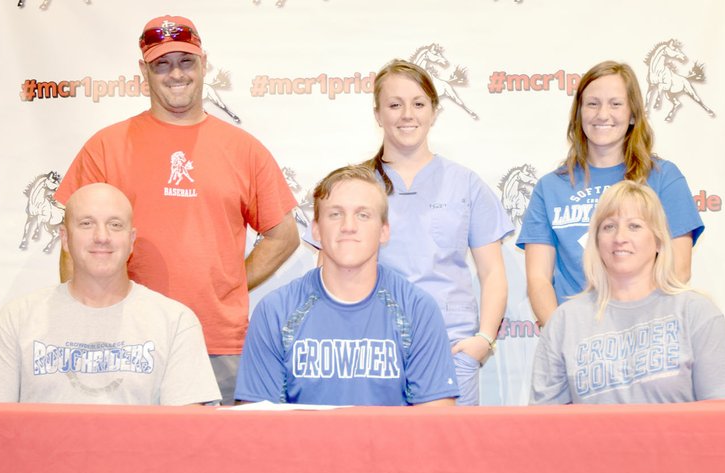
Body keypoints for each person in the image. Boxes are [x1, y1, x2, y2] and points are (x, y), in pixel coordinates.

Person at [54, 15, 300, 404]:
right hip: (123, 341)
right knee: (126, 460)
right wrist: (80, 326)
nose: (176, 74)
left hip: (218, 343)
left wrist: (228, 283)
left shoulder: (244, 149)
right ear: (143, 71)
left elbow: (284, 236)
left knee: (217, 462)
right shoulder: (105, 147)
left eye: (186, 61)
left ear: (204, 64)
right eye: (162, 64)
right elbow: (74, 244)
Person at [0, 183, 222, 406]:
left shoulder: (175, 322)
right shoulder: (18, 318)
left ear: (131, 240)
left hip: (138, 469)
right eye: (86, 224)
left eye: (115, 225)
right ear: (65, 238)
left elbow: (186, 437)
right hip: (40, 469)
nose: (101, 236)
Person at [234, 164, 459, 406]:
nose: (348, 226)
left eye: (363, 215)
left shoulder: (417, 310)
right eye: (335, 214)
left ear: (384, 231)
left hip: (390, 445)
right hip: (303, 445)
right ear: (316, 231)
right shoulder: (276, 311)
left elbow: (436, 419)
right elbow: (255, 422)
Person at [366, 58, 513, 406]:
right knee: (376, 456)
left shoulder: (465, 184)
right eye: (394, 104)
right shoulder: (357, 184)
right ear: (377, 114)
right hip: (373, 350)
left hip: (452, 350)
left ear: (433, 112)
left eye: (418, 104)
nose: (407, 114)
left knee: (451, 457)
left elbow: (493, 273)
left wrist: (483, 341)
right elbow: (328, 270)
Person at [516, 60, 704, 327]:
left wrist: (638, 327)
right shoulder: (550, 187)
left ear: (632, 114)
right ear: (579, 113)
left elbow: (679, 269)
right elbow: (538, 279)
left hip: (645, 330)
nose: (603, 114)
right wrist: (561, 335)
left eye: (615, 104)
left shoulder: (663, 177)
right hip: (576, 336)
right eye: (592, 104)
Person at [530, 180, 725, 405]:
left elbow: (722, 417)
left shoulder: (697, 313)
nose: (620, 238)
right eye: (609, 226)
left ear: (658, 240)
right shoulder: (565, 321)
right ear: (596, 242)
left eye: (635, 226)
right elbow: (545, 424)